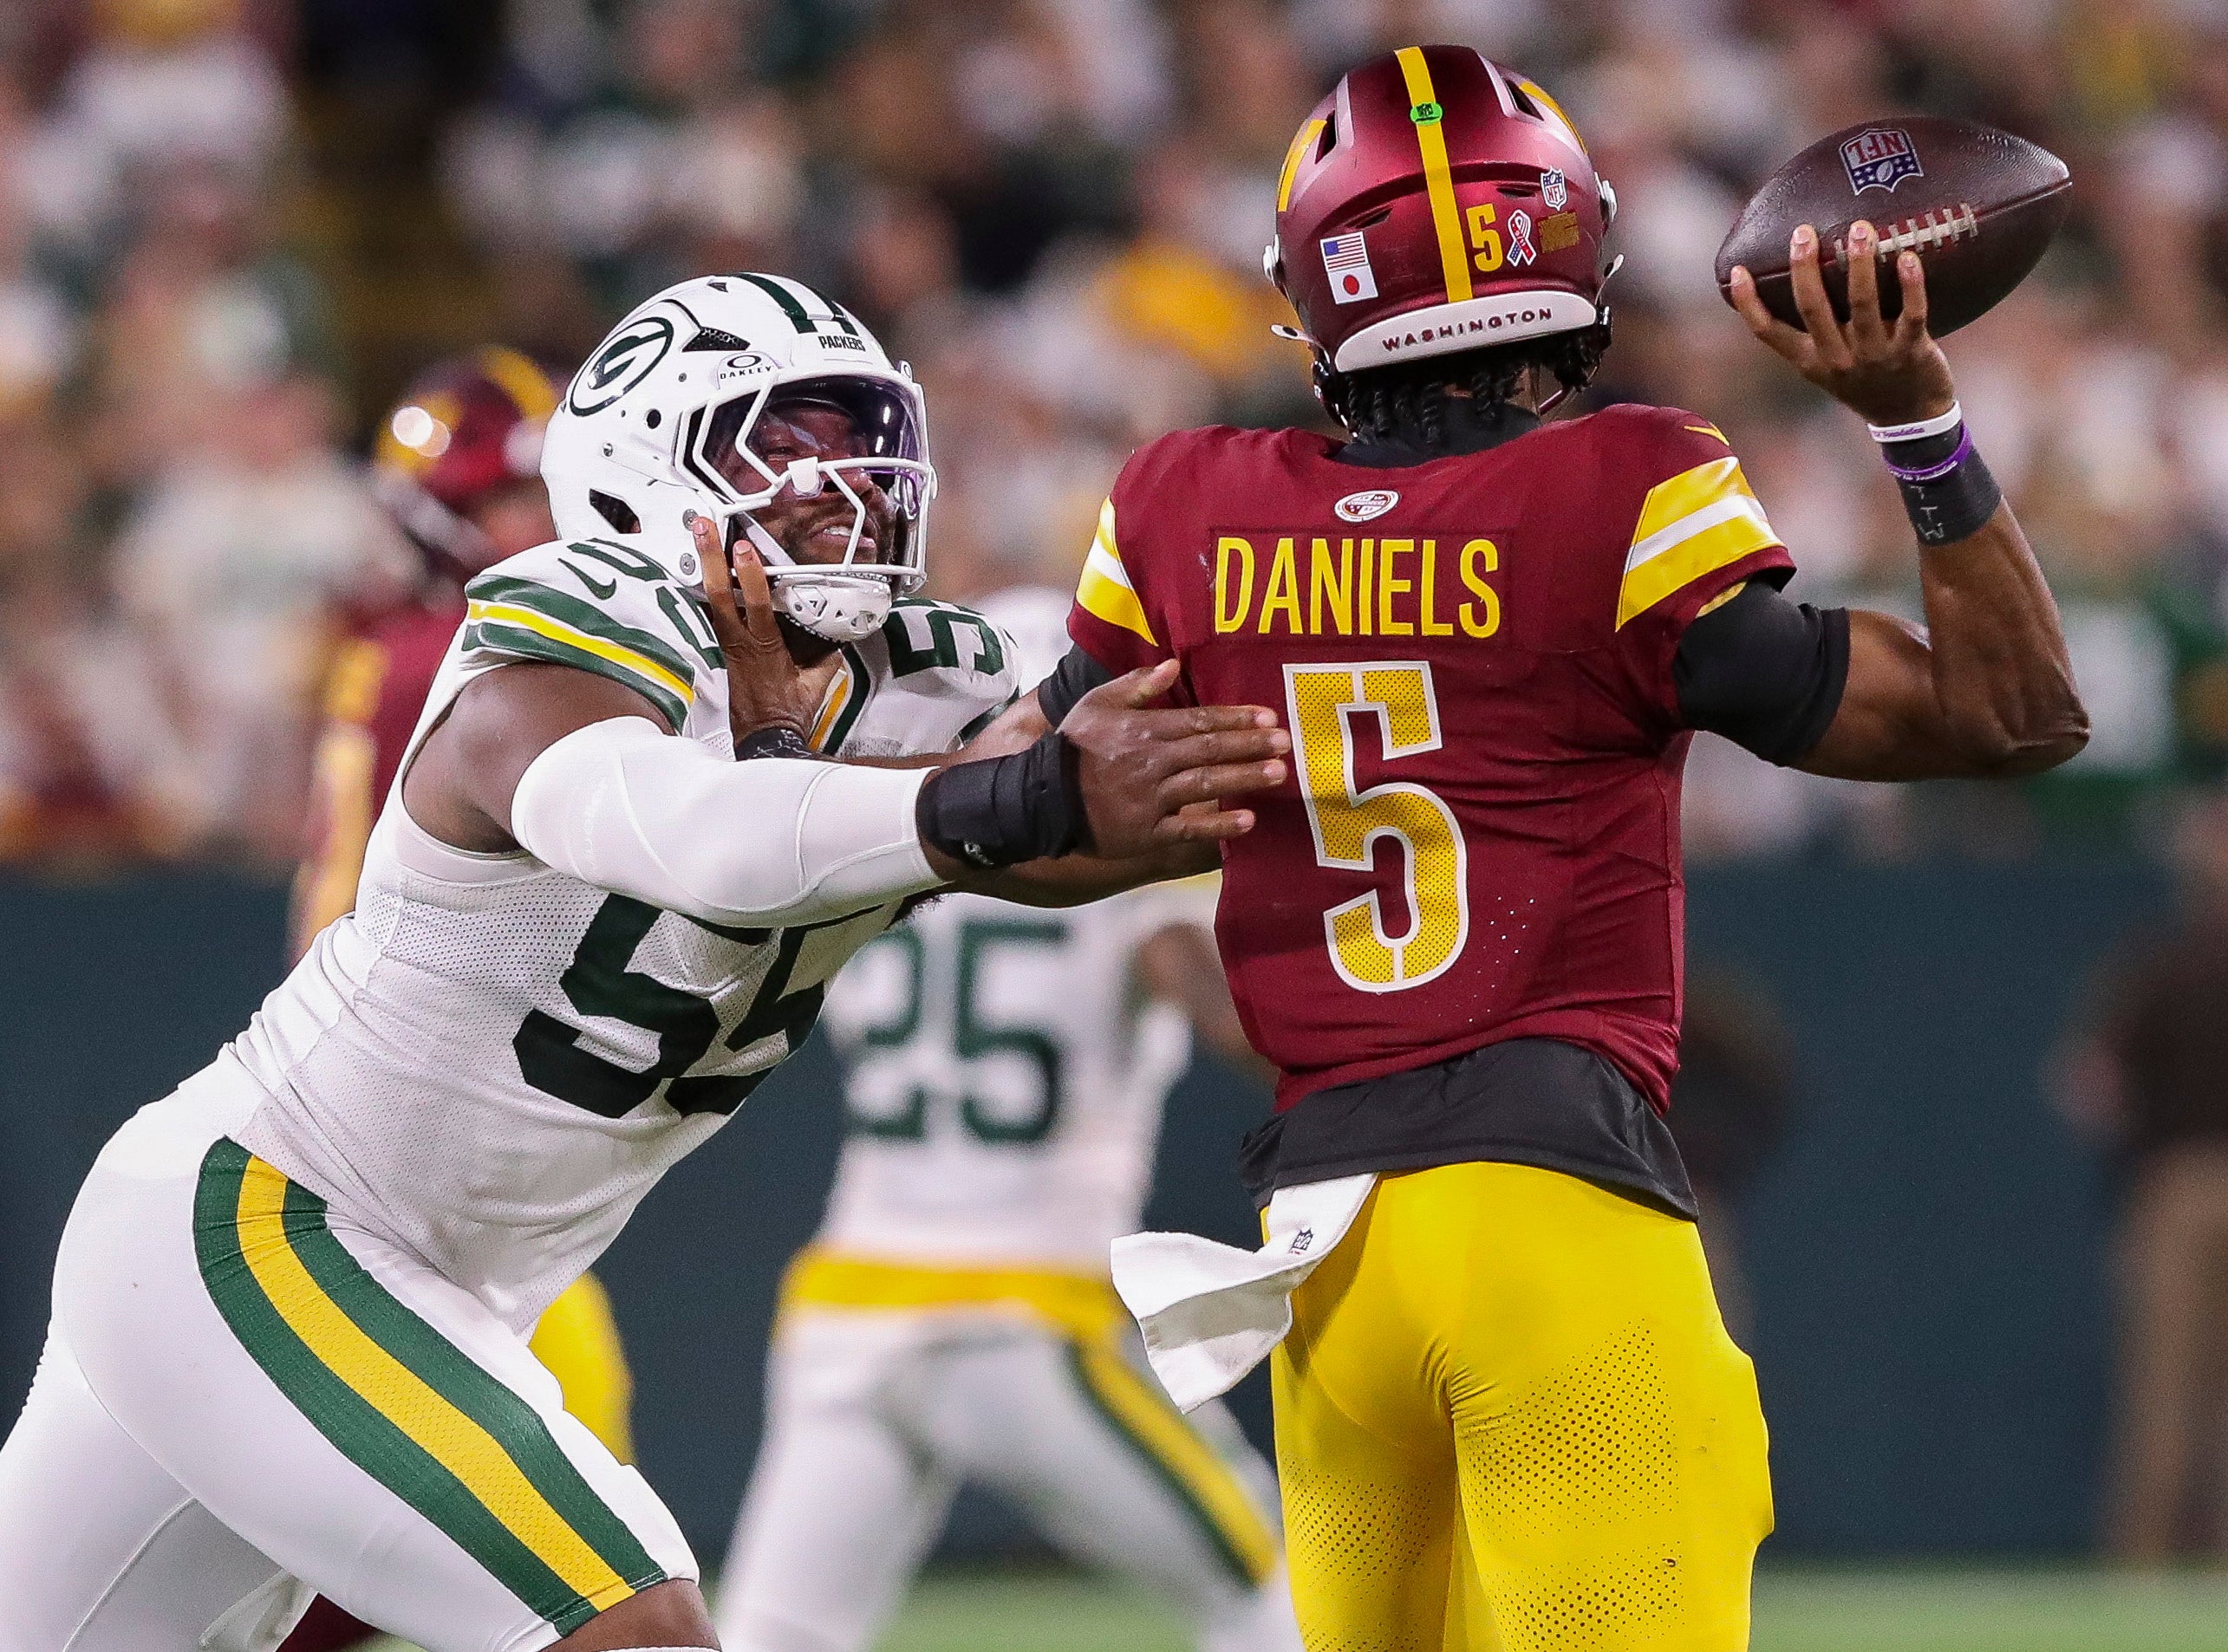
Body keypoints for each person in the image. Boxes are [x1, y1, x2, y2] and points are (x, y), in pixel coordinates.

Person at [923, 47, 2088, 1652]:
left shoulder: (1184, 508)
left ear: (1315, 283)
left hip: (1327, 1264)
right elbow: (2012, 717)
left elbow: (1021, 835)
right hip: (1552, 1225)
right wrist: (1921, 424)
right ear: (1574, 245)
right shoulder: (1628, 486)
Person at [0, 273, 1289, 1652]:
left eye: (859, 434)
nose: (839, 482)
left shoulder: (919, 670)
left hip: (434, 1270)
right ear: (639, 471)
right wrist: (1018, 795)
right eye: (781, 446)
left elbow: (1049, 817)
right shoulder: (550, 637)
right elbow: (701, 831)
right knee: (632, 1623)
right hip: (268, 1228)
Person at [717, 588, 1300, 1652]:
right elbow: (1214, 1008)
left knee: (773, 1634)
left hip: (847, 1308)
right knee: (1282, 1599)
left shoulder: (877, 856)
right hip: (1019, 1311)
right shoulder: (1120, 859)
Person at [278, 350, 634, 1652]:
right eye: (505, 504)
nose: (535, 526)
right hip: (429, 1125)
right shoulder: (470, 654)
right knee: (582, 1541)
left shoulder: (392, 651)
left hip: (428, 1118)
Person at [2059, 790, 2228, 1562]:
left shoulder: (2157, 965)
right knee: (2164, 1391)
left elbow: (2088, 1086)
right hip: (2175, 1184)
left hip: (2176, 1186)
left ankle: (2155, 1575)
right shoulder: (2158, 966)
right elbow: (2090, 1082)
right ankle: (2145, 1575)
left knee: (2172, 1393)